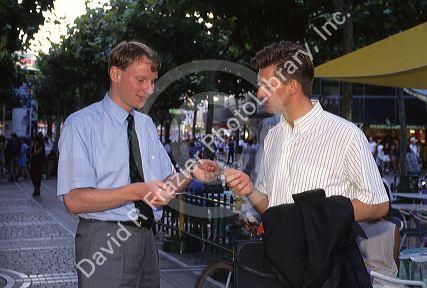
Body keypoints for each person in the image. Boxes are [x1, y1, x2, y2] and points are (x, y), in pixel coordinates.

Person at [57, 41, 219, 288]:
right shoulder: (80, 125)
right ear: (115, 74)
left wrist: (191, 172)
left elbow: (163, 186)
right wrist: (138, 191)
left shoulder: (145, 125)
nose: (148, 89)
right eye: (141, 80)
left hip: (147, 240)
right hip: (104, 240)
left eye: (153, 81)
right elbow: (74, 200)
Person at [224, 41, 389, 223]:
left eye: (267, 86)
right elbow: (272, 207)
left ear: (292, 86)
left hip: (326, 251)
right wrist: (250, 190)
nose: (260, 94)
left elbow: (379, 203)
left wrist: (318, 219)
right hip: (277, 249)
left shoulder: (346, 134)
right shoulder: (273, 135)